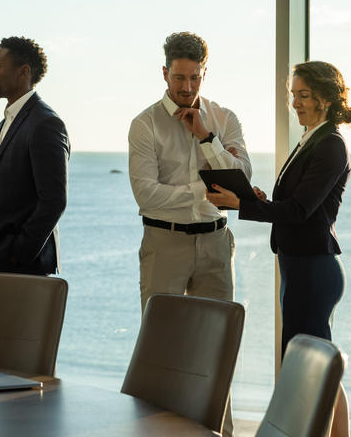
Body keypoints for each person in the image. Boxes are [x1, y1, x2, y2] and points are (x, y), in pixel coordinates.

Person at [207, 60, 351, 437]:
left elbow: (300, 210)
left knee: (312, 370)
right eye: (293, 95)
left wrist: (243, 205)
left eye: (303, 95)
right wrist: (256, 198)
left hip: (313, 272)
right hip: (300, 269)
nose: (296, 103)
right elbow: (293, 202)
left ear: (325, 97)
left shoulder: (330, 146)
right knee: (316, 368)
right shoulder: (311, 139)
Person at [128, 31, 250, 437]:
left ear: (204, 74)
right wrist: (206, 190)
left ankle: (221, 434)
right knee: (159, 349)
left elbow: (243, 178)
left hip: (217, 243)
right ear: (165, 73)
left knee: (219, 348)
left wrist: (207, 138)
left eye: (195, 78)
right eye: (179, 78)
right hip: (165, 243)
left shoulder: (223, 118)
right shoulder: (144, 124)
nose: (187, 87)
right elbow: (147, 196)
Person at [0, 36, 69, 296]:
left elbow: (54, 201)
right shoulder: (1, 127)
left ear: (23, 71)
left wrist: (16, 257)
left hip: (25, 269)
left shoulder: (46, 124)